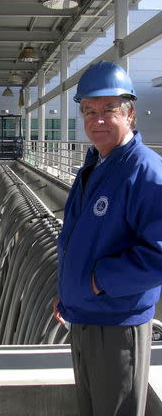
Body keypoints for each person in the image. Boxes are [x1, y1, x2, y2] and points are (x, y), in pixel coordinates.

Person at [53, 60, 162, 416]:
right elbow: (81, 239)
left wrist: (96, 283)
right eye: (89, 111)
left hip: (116, 324)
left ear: (129, 115)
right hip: (85, 315)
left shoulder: (144, 172)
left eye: (108, 110)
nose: (97, 120)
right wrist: (70, 292)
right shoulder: (96, 165)